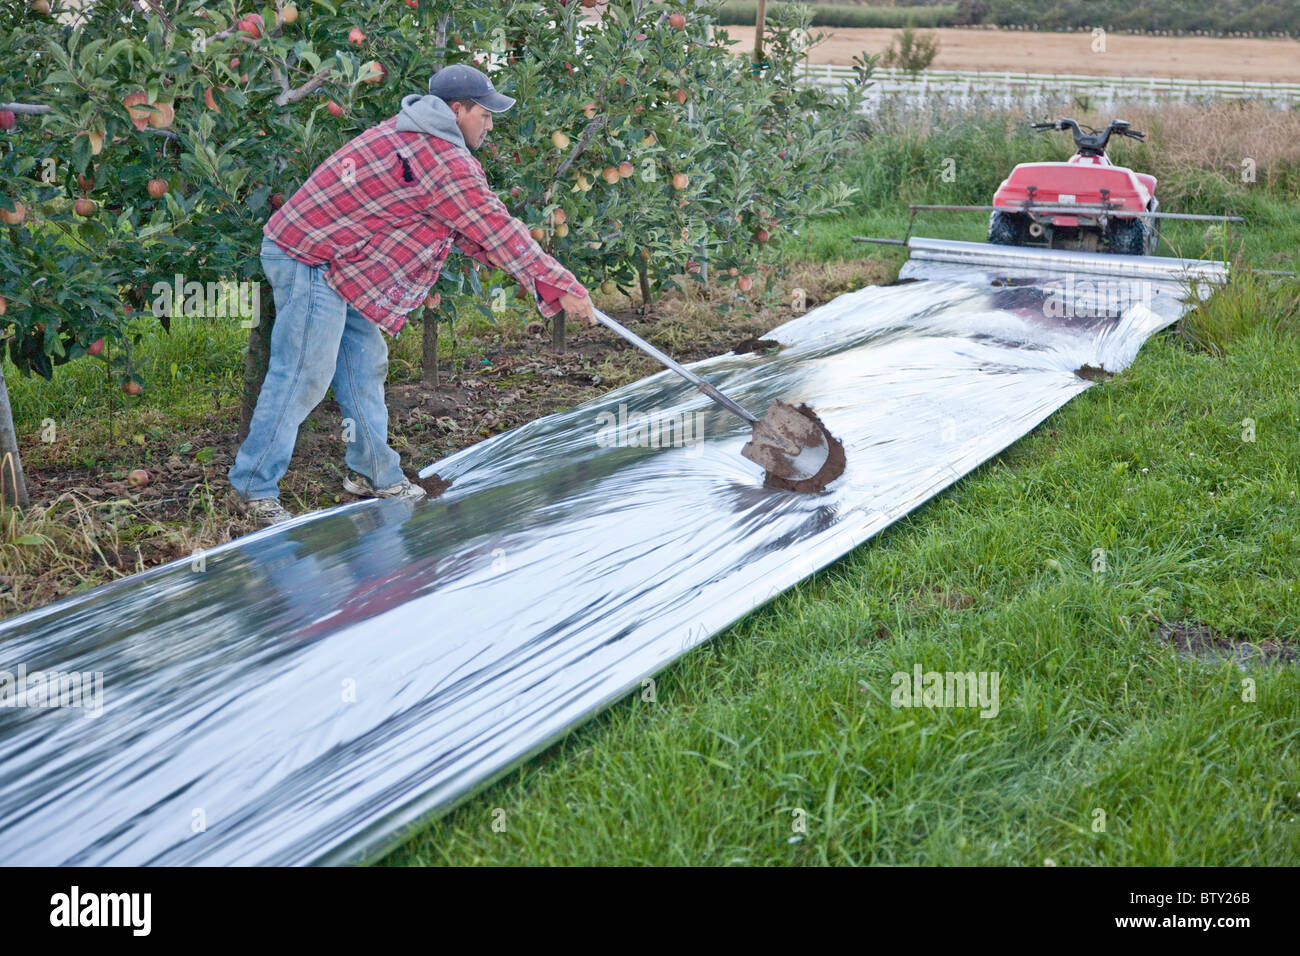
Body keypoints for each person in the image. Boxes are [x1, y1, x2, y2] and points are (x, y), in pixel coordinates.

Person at [228, 64, 595, 525]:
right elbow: (497, 228)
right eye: (484, 113)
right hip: (310, 255)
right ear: (457, 110)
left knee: (364, 364)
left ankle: (373, 474)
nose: (490, 123)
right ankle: (251, 488)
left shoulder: (419, 136)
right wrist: (561, 284)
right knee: (304, 370)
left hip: (347, 263)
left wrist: (545, 283)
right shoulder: (443, 159)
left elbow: (467, 230)